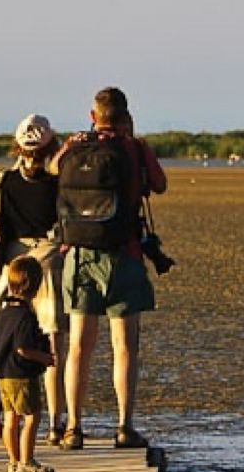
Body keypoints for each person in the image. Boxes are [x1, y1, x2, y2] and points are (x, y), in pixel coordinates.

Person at [53, 86, 167, 451]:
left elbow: (53, 168)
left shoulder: (74, 147)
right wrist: (134, 143)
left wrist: (74, 143)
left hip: (79, 255)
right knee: (124, 348)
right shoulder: (135, 149)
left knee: (78, 348)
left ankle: (73, 427)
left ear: (93, 116)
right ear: (125, 116)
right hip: (124, 255)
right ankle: (123, 426)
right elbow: (160, 185)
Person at [0, 113, 68, 445]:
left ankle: (16, 418)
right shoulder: (58, 181)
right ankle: (55, 422)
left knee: (5, 333)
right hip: (48, 259)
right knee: (51, 345)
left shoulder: (5, 179)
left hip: (15, 263)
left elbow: (1, 224)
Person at [0, 255, 56, 472]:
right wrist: (44, 358)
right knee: (32, 416)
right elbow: (23, 348)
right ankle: (27, 461)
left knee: (10, 418)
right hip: (21, 375)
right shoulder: (24, 316)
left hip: (2, 374)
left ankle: (13, 462)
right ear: (35, 287)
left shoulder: (2, 313)